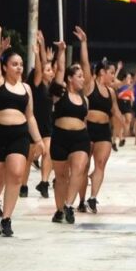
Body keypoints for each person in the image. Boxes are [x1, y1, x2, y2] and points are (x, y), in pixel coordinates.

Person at [0, 22, 44, 236]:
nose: (19, 67)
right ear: (5, 67)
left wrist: (39, 140)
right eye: (14, 64)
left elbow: (30, 116)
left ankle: (7, 219)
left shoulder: (26, 89)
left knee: (15, 174)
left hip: (19, 135)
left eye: (21, 64)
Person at [48, 33, 92, 225]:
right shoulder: (60, 94)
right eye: (79, 76)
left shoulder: (85, 99)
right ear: (70, 78)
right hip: (60, 138)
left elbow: (85, 120)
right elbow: (59, 72)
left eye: (83, 76)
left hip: (80, 138)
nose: (83, 79)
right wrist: (62, 51)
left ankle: (68, 205)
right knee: (61, 177)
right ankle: (59, 210)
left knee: (79, 170)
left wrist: (84, 43)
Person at [80, 30, 122, 214]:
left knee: (101, 164)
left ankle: (93, 198)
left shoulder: (111, 92)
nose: (113, 76)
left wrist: (122, 125)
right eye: (110, 73)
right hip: (88, 129)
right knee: (83, 166)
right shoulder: (90, 85)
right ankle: (81, 200)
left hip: (104, 131)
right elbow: (84, 63)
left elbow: (115, 110)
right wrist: (84, 42)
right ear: (102, 72)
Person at [29, 32, 55, 199]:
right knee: (28, 159)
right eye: (49, 70)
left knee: (49, 152)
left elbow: (46, 67)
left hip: (47, 125)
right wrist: (38, 53)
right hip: (34, 126)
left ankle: (44, 183)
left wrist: (44, 45)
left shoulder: (49, 87)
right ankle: (23, 185)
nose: (51, 72)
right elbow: (40, 69)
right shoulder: (37, 85)